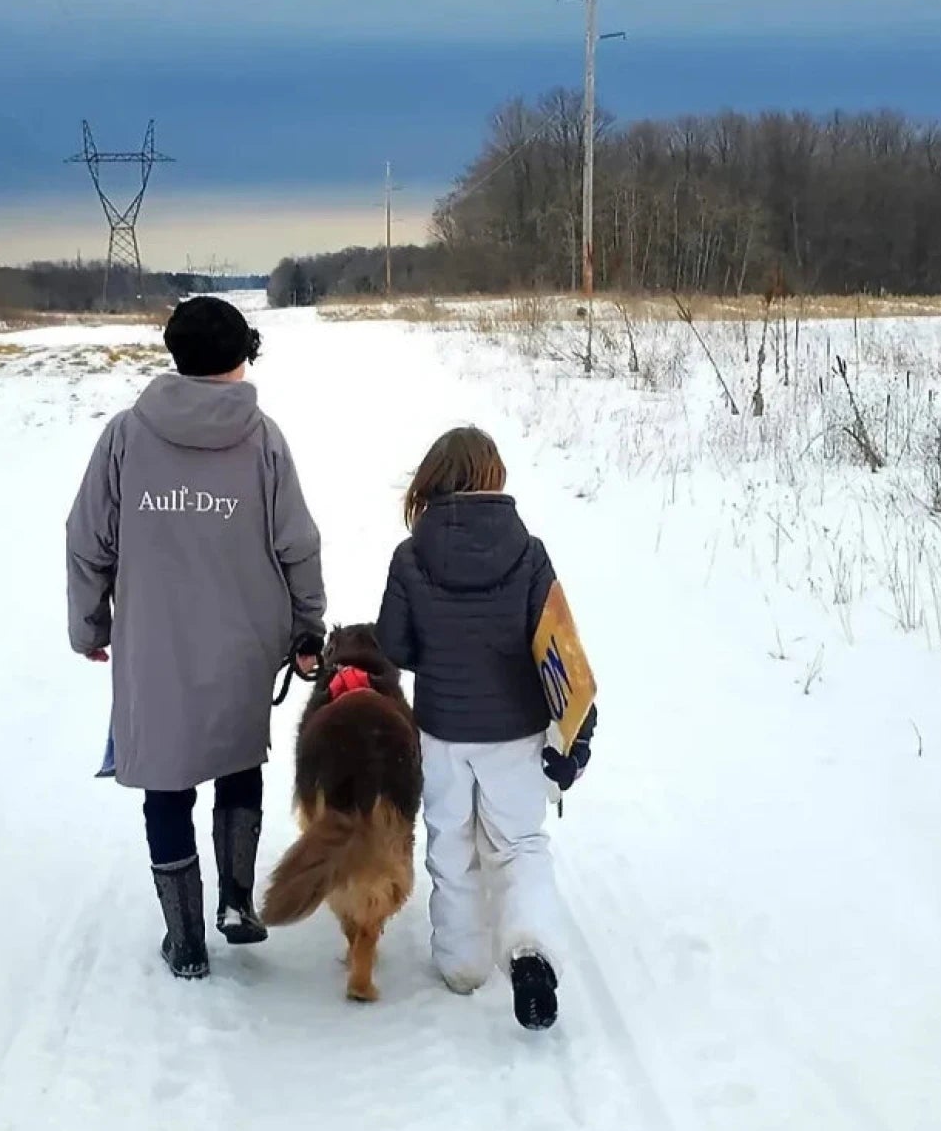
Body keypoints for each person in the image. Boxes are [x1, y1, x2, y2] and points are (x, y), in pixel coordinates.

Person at [66, 296, 325, 980]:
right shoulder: (263, 437)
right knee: (239, 766)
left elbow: (87, 538)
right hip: (245, 643)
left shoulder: (125, 435)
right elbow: (297, 543)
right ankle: (237, 902)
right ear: (241, 358)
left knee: (166, 784)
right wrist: (308, 625)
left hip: (157, 647)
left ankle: (184, 941)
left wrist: (90, 624)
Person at [374, 426, 596, 1030]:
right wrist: (579, 731)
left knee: (450, 846)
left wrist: (441, 651)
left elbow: (393, 644)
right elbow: (559, 647)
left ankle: (463, 964)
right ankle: (529, 951)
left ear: (433, 478)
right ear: (493, 476)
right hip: (517, 732)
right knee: (519, 845)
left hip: (443, 731)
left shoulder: (410, 556)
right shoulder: (529, 553)